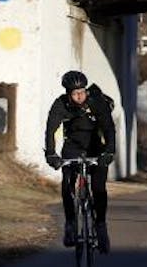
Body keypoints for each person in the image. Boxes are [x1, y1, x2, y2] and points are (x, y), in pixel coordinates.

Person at [44, 70, 116, 253]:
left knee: (99, 188)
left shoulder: (96, 101)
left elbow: (108, 128)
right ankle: (70, 223)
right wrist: (51, 153)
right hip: (73, 146)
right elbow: (51, 129)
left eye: (82, 92)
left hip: (96, 146)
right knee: (67, 184)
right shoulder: (60, 104)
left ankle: (100, 225)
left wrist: (109, 151)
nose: (79, 96)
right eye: (75, 93)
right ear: (68, 93)